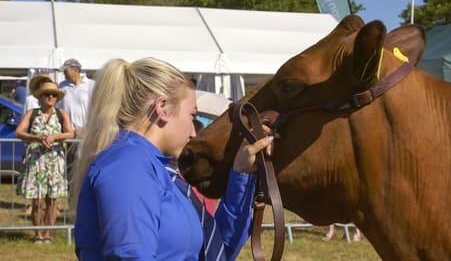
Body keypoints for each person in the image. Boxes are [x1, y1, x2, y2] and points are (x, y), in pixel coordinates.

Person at [72, 58, 273, 260]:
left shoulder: (157, 170)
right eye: (192, 116)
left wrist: (241, 173)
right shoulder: (128, 167)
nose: (194, 131)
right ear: (163, 108)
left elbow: (213, 251)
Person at [15, 81, 74, 244]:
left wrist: (55, 136)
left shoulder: (62, 114)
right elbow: (19, 132)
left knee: (52, 200)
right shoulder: (31, 113)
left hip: (55, 161)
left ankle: (48, 233)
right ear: (39, 97)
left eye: (54, 95)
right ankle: (37, 234)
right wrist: (37, 138)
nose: (50, 97)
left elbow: (70, 133)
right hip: (36, 161)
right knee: (37, 199)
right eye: (47, 94)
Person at [58, 58, 94, 137]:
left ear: (75, 70)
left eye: (65, 71)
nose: (64, 74)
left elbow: (97, 111)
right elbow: (59, 109)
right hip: (67, 135)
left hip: (87, 134)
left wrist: (87, 129)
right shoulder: (61, 86)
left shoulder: (92, 85)